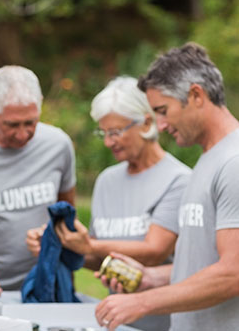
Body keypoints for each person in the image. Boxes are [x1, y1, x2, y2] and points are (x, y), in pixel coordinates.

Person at [27, 76, 190, 331]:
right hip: (116, 323)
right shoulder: (107, 181)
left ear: (147, 122)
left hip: (165, 323)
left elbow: (155, 250)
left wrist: (89, 244)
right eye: (103, 132)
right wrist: (60, 243)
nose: (107, 142)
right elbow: (98, 258)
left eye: (115, 132)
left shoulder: (178, 180)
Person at [95, 43, 239, 331]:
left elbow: (232, 272)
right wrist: (151, 278)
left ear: (196, 95)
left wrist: (144, 302)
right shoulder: (209, 159)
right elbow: (201, 266)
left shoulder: (234, 163)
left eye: (163, 110)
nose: (159, 125)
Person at [0, 65, 77, 306]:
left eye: (30, 123)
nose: (22, 134)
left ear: (40, 104)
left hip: (44, 291)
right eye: (11, 125)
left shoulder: (58, 145)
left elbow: (67, 216)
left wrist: (52, 237)